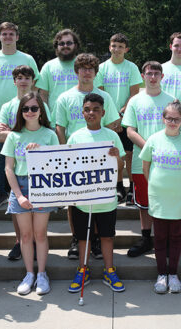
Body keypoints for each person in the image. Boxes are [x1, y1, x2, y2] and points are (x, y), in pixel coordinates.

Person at [55, 53, 120, 260]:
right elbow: (60, 127)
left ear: (95, 73)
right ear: (76, 72)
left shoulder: (105, 96)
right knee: (75, 202)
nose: (86, 72)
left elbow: (112, 124)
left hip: (99, 159)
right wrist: (66, 154)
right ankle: (77, 238)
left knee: (99, 198)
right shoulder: (65, 97)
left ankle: (99, 240)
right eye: (82, 68)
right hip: (75, 156)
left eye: (90, 69)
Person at [67, 93, 126, 293]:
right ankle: (83, 270)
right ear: (82, 112)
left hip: (106, 197)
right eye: (87, 109)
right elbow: (68, 165)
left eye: (95, 110)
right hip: (83, 199)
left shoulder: (112, 136)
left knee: (107, 236)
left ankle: (109, 270)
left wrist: (117, 157)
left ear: (103, 112)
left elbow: (120, 167)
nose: (91, 113)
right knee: (84, 237)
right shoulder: (75, 136)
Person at [1, 91, 58, 295]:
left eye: (34, 108)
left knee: (40, 234)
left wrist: (40, 151)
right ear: (21, 112)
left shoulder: (49, 135)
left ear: (41, 111)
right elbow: (8, 168)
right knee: (25, 236)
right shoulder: (14, 136)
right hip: (20, 185)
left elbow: (57, 164)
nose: (30, 112)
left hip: (42, 185)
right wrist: (19, 195)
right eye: (26, 109)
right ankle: (29, 273)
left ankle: (42, 274)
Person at [140, 101, 181, 293]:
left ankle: (173, 274)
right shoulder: (154, 140)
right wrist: (157, 185)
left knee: (175, 236)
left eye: (176, 119)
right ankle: (161, 274)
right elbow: (146, 167)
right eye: (169, 118)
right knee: (159, 236)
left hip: (178, 196)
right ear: (163, 119)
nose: (172, 122)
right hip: (158, 196)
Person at [0, 22, 40, 211]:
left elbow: (35, 85)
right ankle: (1, 193)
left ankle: (36, 191)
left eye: (11, 34)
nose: (8, 37)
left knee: (30, 153)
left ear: (17, 37)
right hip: (0, 114)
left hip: (28, 113)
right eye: (4, 34)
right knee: (1, 157)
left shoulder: (27, 58)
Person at [0, 65, 53, 261]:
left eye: (27, 77)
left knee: (39, 232)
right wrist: (15, 135)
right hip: (19, 173)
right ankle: (19, 244)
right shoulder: (7, 106)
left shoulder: (43, 108)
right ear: (14, 81)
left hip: (41, 181)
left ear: (33, 81)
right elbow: (0, 136)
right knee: (20, 218)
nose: (23, 80)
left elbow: (49, 137)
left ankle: (35, 252)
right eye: (19, 77)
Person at [121, 61, 175, 258]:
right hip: (141, 160)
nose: (153, 77)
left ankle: (165, 238)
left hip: (168, 160)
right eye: (149, 73)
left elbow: (175, 128)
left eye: (156, 73)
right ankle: (146, 238)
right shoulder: (135, 100)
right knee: (144, 203)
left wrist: (161, 150)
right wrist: (149, 148)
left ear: (162, 76)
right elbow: (129, 130)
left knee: (165, 200)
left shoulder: (171, 101)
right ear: (143, 76)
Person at [95, 33, 143, 203]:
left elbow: (134, 94)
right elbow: (101, 93)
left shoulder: (131, 68)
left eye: (121, 47)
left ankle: (132, 189)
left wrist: (121, 115)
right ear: (110, 47)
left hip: (126, 118)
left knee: (129, 154)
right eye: (114, 46)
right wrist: (112, 119)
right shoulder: (101, 68)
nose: (117, 49)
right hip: (107, 120)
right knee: (113, 155)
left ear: (126, 49)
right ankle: (118, 187)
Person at [37, 29, 80, 108]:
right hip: (55, 118)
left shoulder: (84, 65)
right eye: (61, 43)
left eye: (69, 43)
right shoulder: (48, 66)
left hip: (81, 117)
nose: (65, 46)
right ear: (56, 46)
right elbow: (43, 95)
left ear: (76, 45)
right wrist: (46, 116)